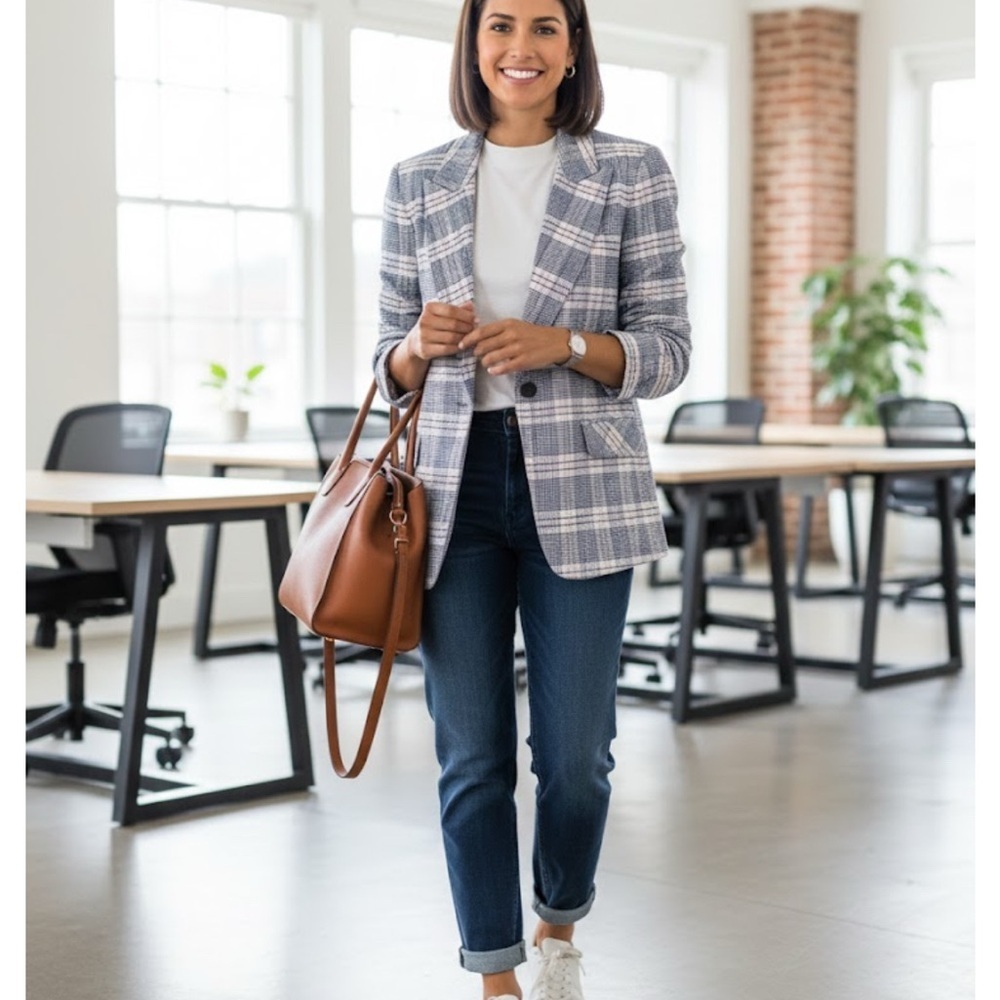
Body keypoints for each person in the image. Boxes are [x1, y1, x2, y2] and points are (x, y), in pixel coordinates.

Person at [372, 0, 691, 996]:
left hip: (585, 485)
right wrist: (414, 346)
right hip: (451, 490)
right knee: (470, 753)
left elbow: (667, 351)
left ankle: (559, 919)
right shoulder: (417, 180)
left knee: (576, 755)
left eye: (545, 27)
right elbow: (385, 364)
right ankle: (496, 973)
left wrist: (568, 344)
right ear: (473, 44)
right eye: (500, 25)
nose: (521, 47)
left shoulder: (630, 170)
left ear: (573, 47)